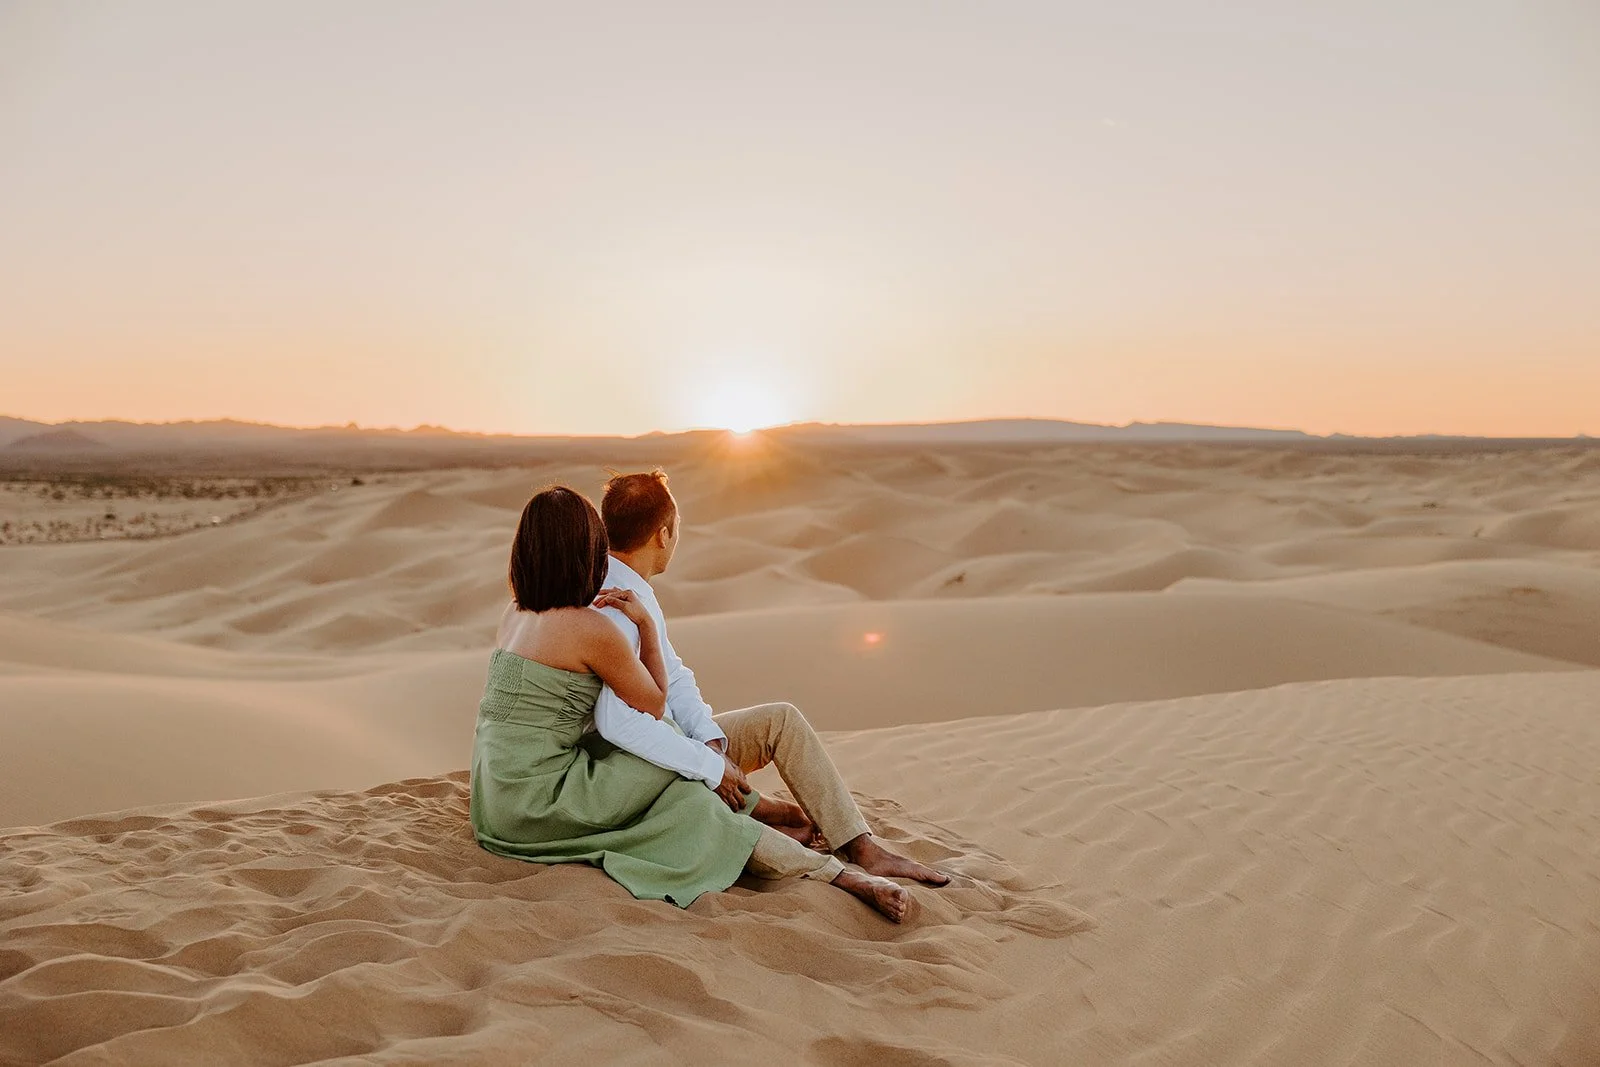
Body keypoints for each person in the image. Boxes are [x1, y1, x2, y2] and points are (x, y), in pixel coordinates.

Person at [469, 485, 912, 920]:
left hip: (498, 797)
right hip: (545, 801)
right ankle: (830, 869)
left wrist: (709, 740)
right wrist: (645, 628)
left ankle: (818, 833)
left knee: (696, 759)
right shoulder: (592, 625)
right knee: (689, 793)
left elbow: (665, 682)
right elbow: (651, 707)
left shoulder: (516, 613)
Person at [591, 469, 950, 887]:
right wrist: (710, 765)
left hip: (679, 742)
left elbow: (675, 673)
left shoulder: (633, 590)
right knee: (711, 797)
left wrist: (710, 739)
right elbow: (621, 726)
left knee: (781, 720)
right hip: (637, 762)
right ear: (663, 535)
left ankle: (860, 846)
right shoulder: (611, 604)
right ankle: (796, 839)